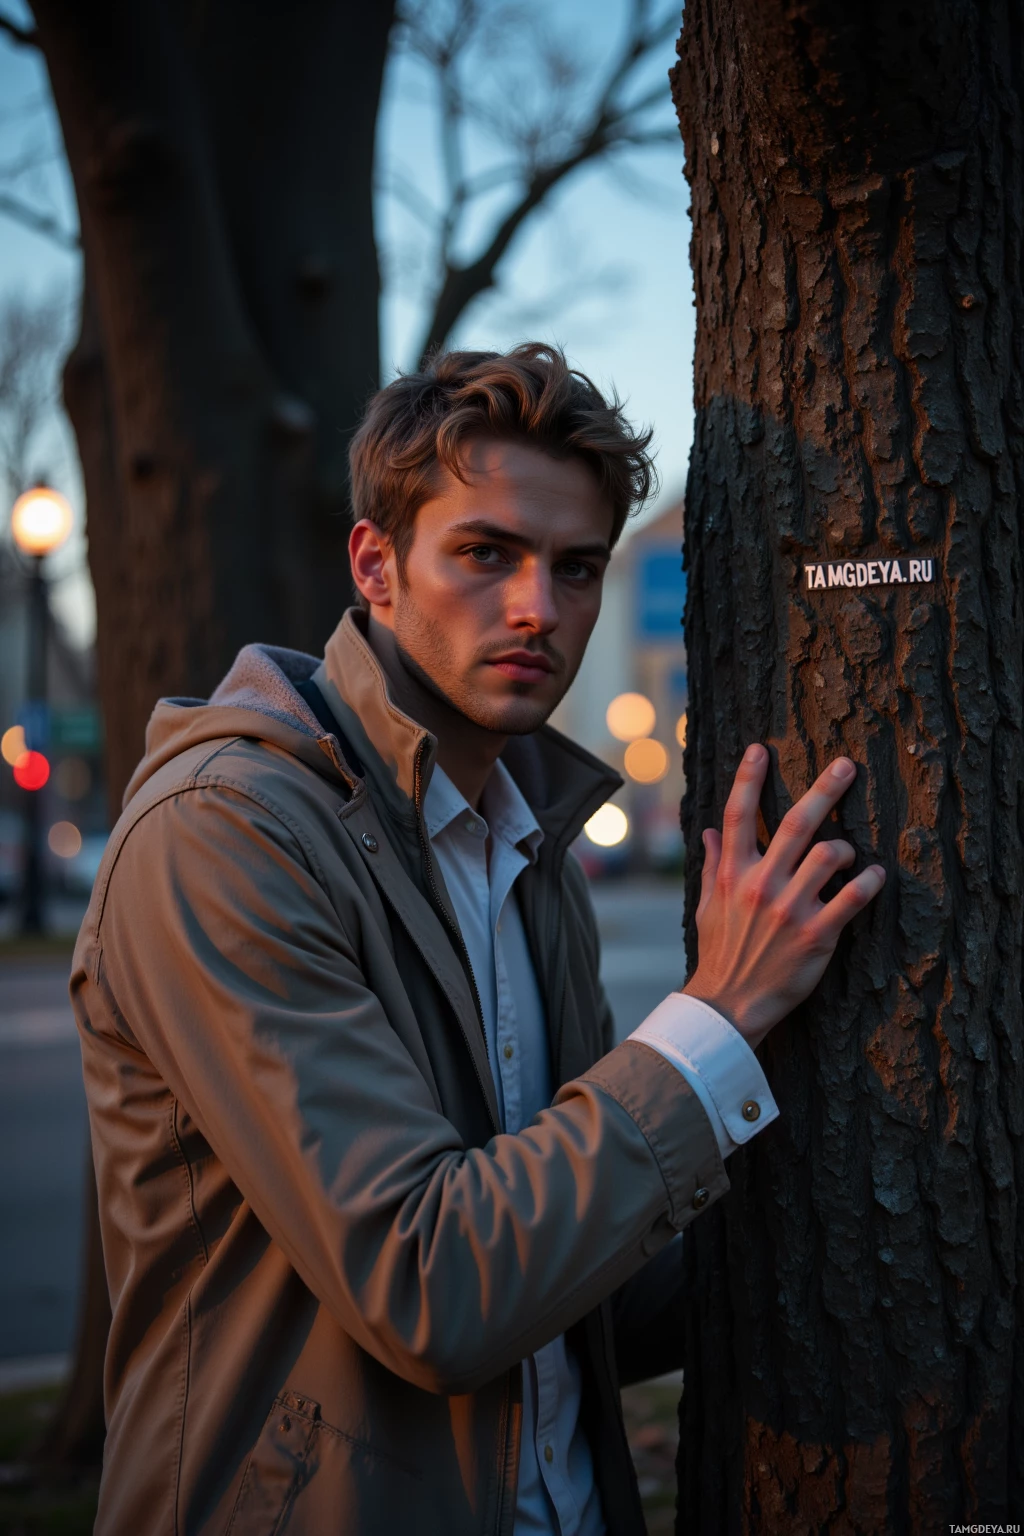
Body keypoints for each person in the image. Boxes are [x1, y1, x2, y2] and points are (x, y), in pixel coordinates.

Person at [72, 344, 885, 1535]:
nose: (537, 609)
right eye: (485, 553)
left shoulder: (525, 847)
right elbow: (432, 1291)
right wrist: (715, 1019)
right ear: (375, 564)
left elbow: (573, 1285)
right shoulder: (222, 836)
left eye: (576, 567)